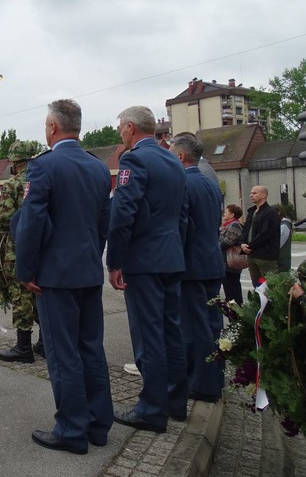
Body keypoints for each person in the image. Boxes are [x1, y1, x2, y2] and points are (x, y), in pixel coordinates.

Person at [15, 99, 113, 454]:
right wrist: (91, 256)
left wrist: (25, 269)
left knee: (63, 354)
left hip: (54, 276)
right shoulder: (99, 167)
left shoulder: (44, 166)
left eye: (46, 126)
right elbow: (104, 222)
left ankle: (71, 430)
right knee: (91, 349)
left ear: (53, 128)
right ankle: (99, 426)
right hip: (88, 270)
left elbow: (32, 223)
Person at [107, 105, 188, 434]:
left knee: (148, 335)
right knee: (171, 331)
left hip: (144, 260)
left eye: (120, 129)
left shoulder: (134, 159)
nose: (119, 134)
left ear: (129, 128)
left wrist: (115, 260)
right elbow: (183, 213)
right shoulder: (172, 158)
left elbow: (123, 212)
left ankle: (152, 410)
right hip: (170, 257)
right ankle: (175, 403)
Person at [169, 134, 225, 403]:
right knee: (213, 324)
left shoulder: (184, 183)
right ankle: (216, 375)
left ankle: (202, 384)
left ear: (180, 156)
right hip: (212, 262)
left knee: (194, 327)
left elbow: (182, 228)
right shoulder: (209, 182)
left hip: (192, 266)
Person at [0, 140, 42, 363]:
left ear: (15, 162)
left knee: (21, 295)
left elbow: (6, 218)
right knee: (40, 294)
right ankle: (45, 343)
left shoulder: (12, 184)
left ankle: (23, 347)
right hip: (43, 247)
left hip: (17, 248)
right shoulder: (43, 178)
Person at [240, 186, 280, 285]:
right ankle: (258, 301)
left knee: (271, 287)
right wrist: (242, 243)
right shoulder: (252, 212)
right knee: (257, 286)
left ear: (263, 195)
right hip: (252, 255)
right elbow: (245, 230)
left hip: (265, 256)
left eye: (254, 193)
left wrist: (250, 246)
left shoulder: (270, 212)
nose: (251, 195)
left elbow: (265, 234)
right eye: (251, 193)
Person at [219, 204, 245, 305]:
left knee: (232, 288)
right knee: (229, 288)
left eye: (226, 212)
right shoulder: (228, 225)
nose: (224, 213)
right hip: (226, 262)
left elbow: (228, 241)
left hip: (231, 263)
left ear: (232, 215)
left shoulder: (235, 225)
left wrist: (217, 247)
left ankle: (236, 312)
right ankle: (233, 311)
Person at [273, 203, 292, 273]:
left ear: (279, 212)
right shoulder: (280, 224)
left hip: (281, 260)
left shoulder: (284, 225)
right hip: (279, 260)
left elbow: (278, 243)